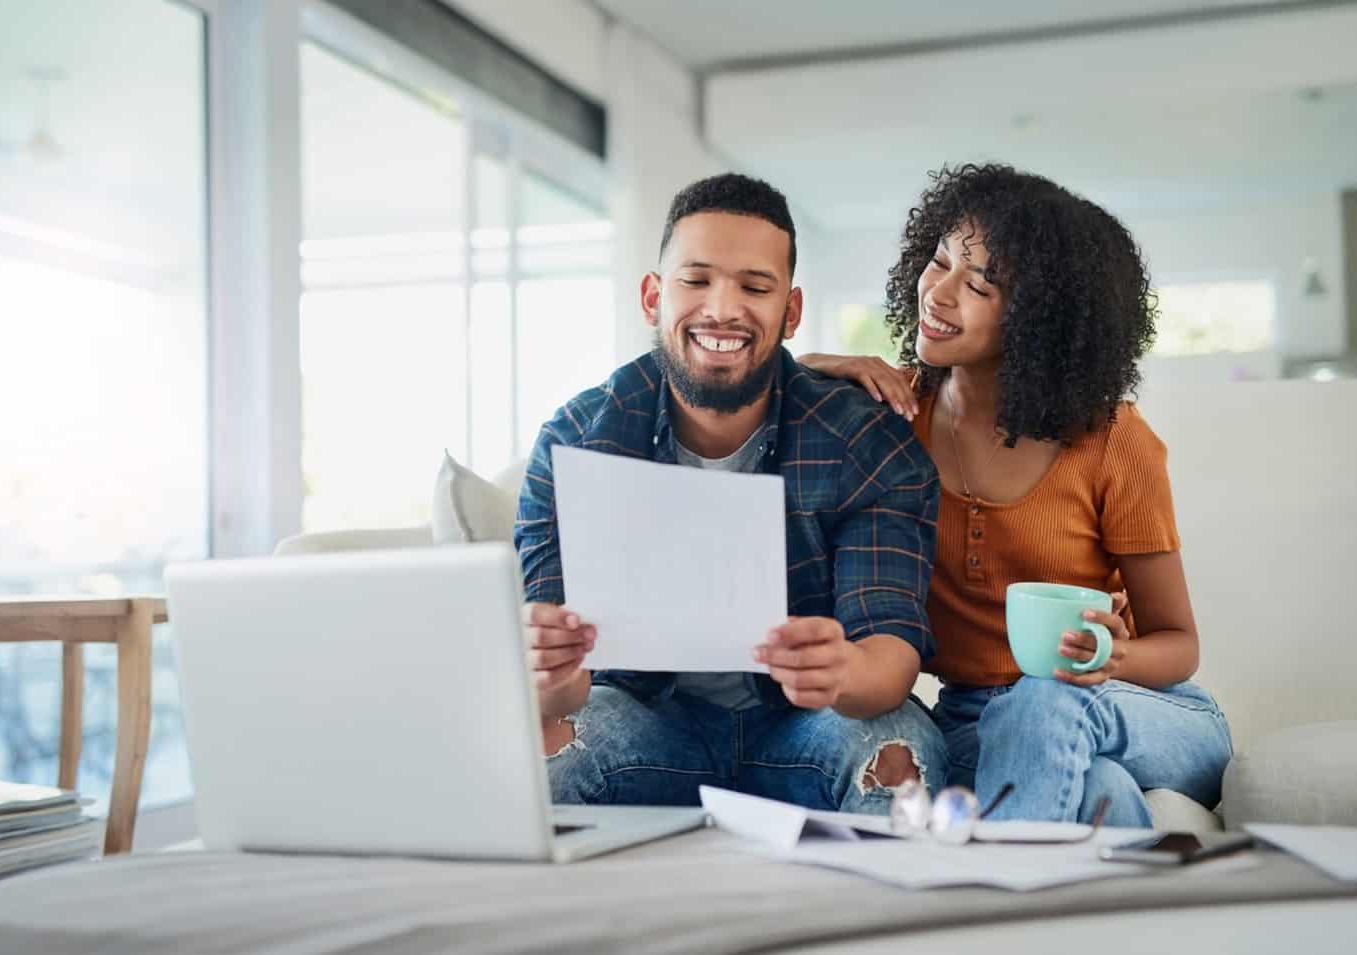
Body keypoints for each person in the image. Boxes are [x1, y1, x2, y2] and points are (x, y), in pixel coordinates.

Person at [802, 163, 1232, 827]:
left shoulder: (1112, 440)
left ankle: (991, 907)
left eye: (979, 283)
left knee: (1044, 698)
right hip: (977, 721)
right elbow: (751, 398)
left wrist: (1113, 655)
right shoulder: (892, 420)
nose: (939, 293)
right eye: (939, 261)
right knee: (1101, 793)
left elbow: (1179, 644)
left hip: (1141, 707)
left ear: (1042, 319)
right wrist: (816, 368)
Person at [515, 173, 948, 812]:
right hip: (647, 721)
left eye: (754, 286)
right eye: (696, 280)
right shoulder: (575, 440)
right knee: (540, 755)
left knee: (899, 753)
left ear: (791, 312)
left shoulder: (864, 440)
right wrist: (547, 669)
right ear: (652, 297)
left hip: (808, 727)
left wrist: (842, 671)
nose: (722, 308)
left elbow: (888, 654)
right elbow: (562, 695)